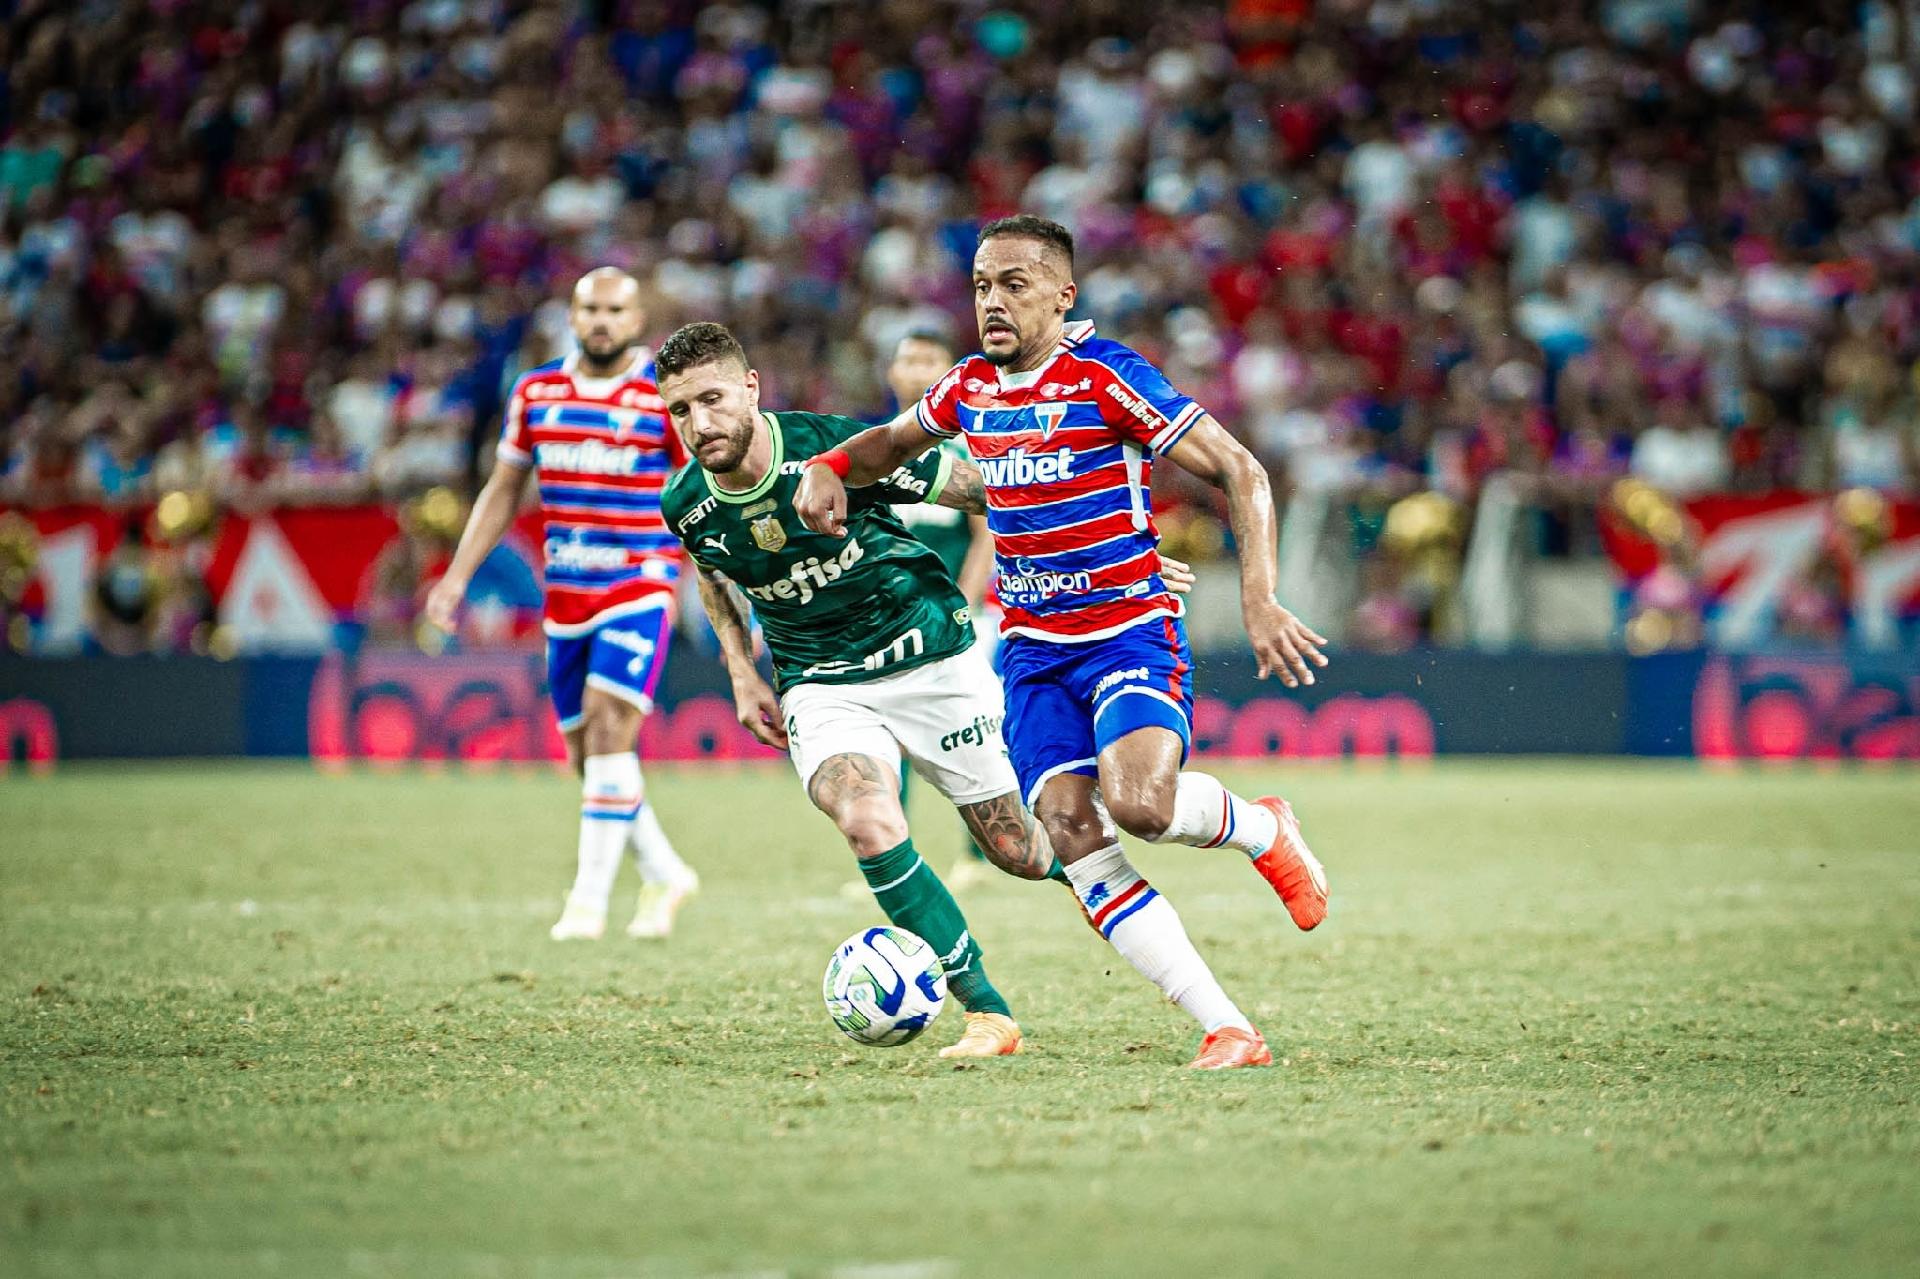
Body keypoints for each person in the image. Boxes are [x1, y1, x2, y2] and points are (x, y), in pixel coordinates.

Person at [796, 215, 1332, 1070]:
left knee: (1142, 806)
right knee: (1072, 833)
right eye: (980, 286)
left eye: (1014, 283)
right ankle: (1228, 1026)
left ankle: (1262, 827)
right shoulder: (968, 386)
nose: (992, 302)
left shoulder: (1105, 374)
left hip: (1126, 634)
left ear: (1062, 294)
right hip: (1032, 652)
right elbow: (890, 444)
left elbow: (1242, 468)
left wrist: (1259, 595)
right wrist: (827, 467)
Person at [654, 320, 1229, 1066]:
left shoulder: (830, 450)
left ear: (751, 389)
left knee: (1021, 850)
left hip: (930, 659)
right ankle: (987, 1011)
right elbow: (711, 572)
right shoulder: (686, 502)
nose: (700, 425)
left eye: (712, 400)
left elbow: (989, 492)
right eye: (680, 411)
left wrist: (1119, 554)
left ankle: (1117, 880)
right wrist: (739, 667)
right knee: (866, 818)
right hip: (821, 685)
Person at [425, 268, 700, 943]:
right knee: (588, 756)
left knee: (610, 730)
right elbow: (501, 489)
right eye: (589, 308)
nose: (601, 320)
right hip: (566, 595)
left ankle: (587, 901)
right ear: (571, 317)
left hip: (640, 581)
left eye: (615, 310)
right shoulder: (537, 392)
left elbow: (700, 484)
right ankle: (666, 871)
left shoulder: (663, 395)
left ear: (636, 321)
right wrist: (457, 574)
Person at [879, 329, 1001, 890]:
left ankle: (978, 855)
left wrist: (966, 606)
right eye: (908, 357)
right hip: (890, 619)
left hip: (957, 616)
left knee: (968, 730)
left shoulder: (967, 446)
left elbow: (986, 537)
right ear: (892, 373)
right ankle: (893, 853)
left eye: (930, 359)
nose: (917, 367)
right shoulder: (876, 448)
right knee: (889, 733)